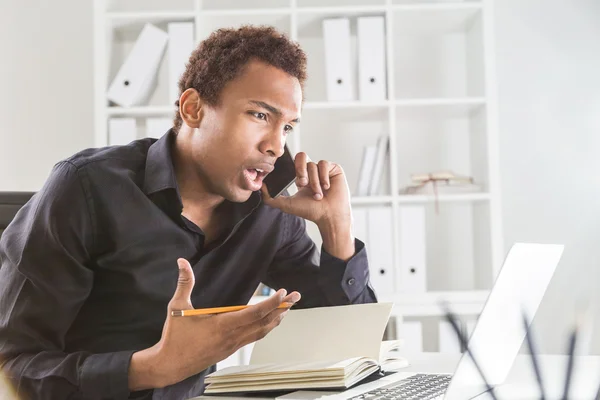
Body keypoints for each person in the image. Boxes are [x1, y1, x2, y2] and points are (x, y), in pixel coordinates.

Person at [0, 25, 376, 399]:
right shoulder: (85, 188)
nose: (277, 147)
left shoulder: (270, 211)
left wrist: (336, 228)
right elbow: (11, 365)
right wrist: (151, 368)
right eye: (260, 115)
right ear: (193, 109)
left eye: (288, 126)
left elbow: (348, 345)